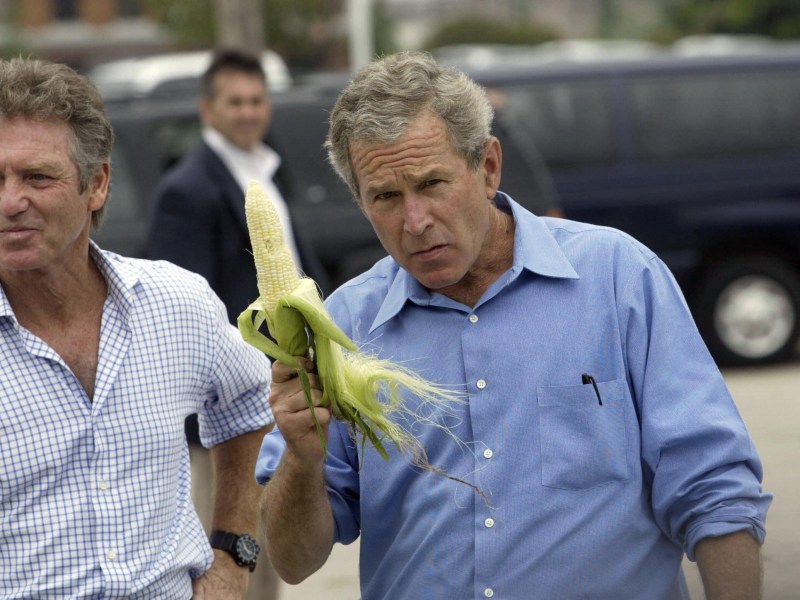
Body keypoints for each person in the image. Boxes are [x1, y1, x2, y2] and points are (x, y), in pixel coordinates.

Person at [255, 51, 772, 599]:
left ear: (489, 168)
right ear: (359, 200)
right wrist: (303, 462)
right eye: (385, 196)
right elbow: (291, 561)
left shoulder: (619, 279)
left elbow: (713, 489)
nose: (415, 221)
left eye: (432, 183)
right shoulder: (343, 326)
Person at [0, 57, 272, 598]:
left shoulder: (176, 303)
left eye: (37, 177)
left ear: (96, 184)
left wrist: (233, 555)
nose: (10, 202)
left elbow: (250, 406)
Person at [148, 48, 292, 600]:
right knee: (233, 556)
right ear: (208, 110)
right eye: (235, 102)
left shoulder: (271, 169)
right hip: (226, 408)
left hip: (275, 390)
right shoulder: (187, 190)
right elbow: (188, 309)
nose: (249, 112)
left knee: (271, 552)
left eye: (257, 100)